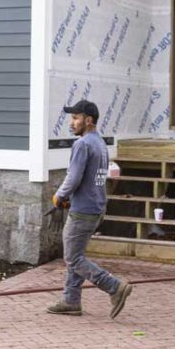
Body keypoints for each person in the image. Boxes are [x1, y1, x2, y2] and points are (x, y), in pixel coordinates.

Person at [48, 100, 132, 319]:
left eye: (76, 118)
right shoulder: (100, 144)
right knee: (75, 255)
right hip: (96, 207)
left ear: (89, 120)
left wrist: (60, 196)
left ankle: (114, 287)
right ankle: (71, 300)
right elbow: (91, 178)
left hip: (83, 210)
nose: (72, 122)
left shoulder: (83, 144)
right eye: (72, 118)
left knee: (73, 258)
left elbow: (73, 177)